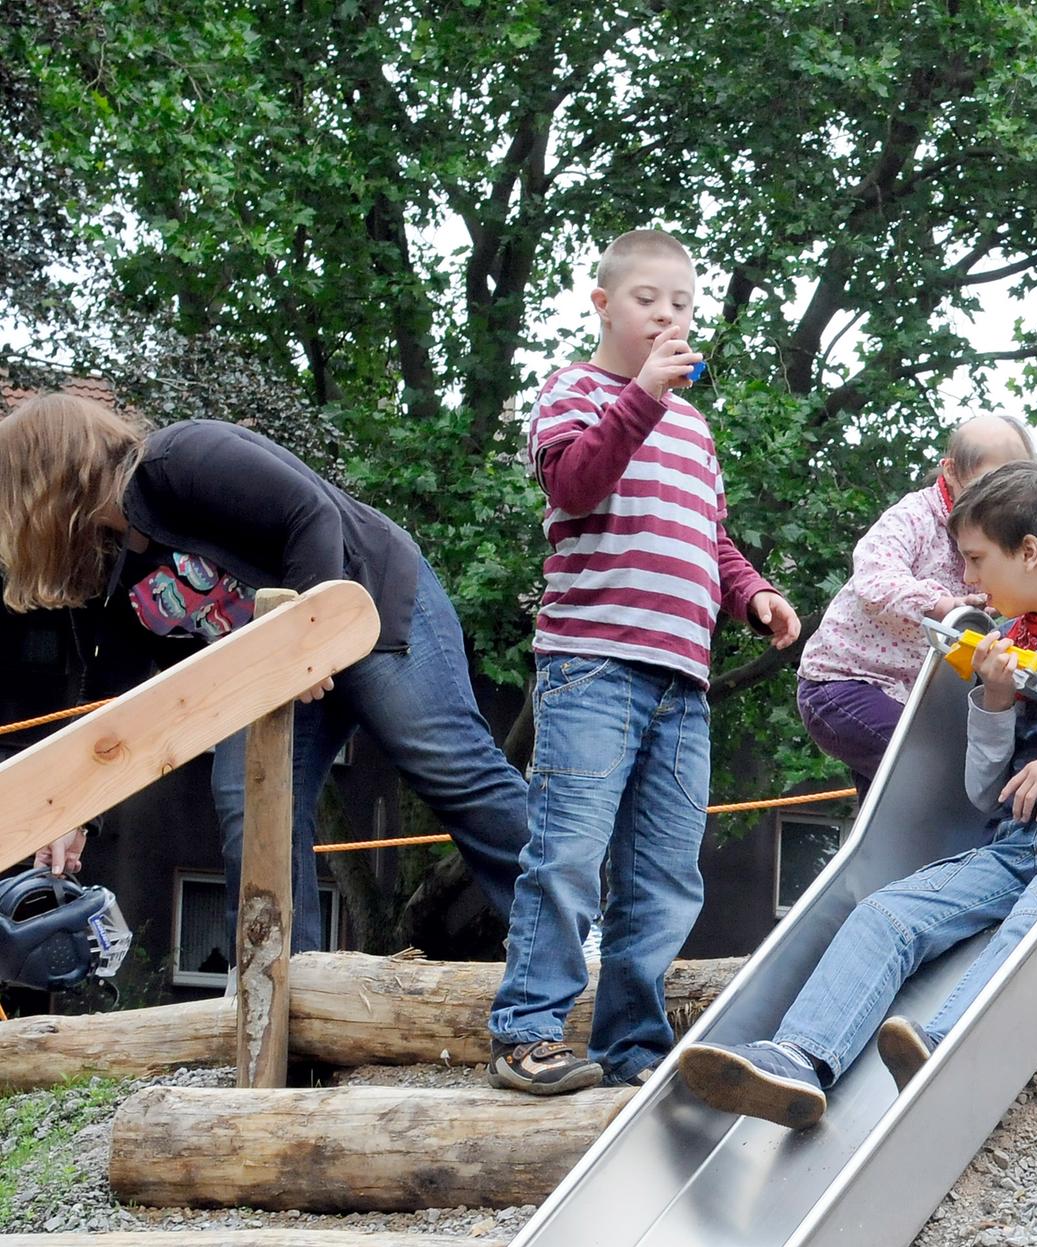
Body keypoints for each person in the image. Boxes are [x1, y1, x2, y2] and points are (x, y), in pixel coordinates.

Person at [678, 462, 1037, 1130]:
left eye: (976, 560)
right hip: (1013, 845)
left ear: (1029, 552)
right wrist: (995, 703)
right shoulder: (1007, 647)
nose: (967, 580)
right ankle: (798, 1058)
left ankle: (946, 1045)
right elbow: (983, 791)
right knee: (887, 911)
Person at [0, 394, 529, 952]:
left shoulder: (179, 459)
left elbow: (310, 513)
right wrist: (70, 814)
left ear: (47, 481)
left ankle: (568, 933)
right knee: (246, 801)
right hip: (279, 670)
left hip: (367, 600)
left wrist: (305, 646)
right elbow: (112, 707)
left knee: (450, 769)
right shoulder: (108, 567)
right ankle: (284, 993)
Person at [486, 228, 800, 1094]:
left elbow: (712, 539)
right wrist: (644, 400)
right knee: (569, 855)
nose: (667, 316)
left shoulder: (694, 430)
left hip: (680, 682)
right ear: (603, 305)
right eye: (646, 301)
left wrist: (751, 594)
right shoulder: (573, 394)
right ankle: (527, 1031)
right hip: (592, 666)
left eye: (682, 304)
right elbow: (574, 486)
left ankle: (633, 1045)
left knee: (664, 875)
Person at [797, 414, 1034, 793]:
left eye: (1010, 492)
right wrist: (942, 605)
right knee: (937, 775)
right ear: (951, 472)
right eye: (984, 487)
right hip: (845, 684)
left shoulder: (998, 539)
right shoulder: (915, 517)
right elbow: (874, 578)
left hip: (909, 698)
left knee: (888, 812)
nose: (996, 504)